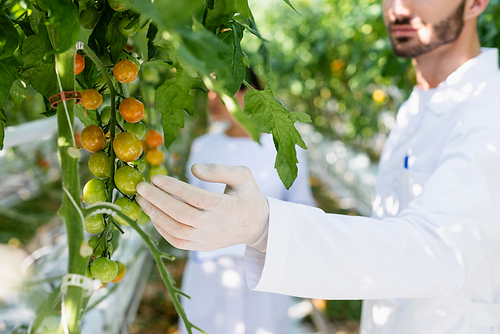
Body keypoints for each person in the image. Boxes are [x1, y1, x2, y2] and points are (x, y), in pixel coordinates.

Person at [136, 0, 500, 332]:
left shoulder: (489, 109)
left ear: (476, 3)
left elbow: (436, 248)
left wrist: (266, 228)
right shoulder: (416, 108)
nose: (398, 7)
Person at [178, 77, 316, 334]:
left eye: (221, 93)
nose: (212, 101)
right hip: (211, 267)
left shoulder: (281, 147)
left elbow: (302, 204)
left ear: (250, 94)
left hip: (263, 267)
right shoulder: (203, 147)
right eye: (209, 93)